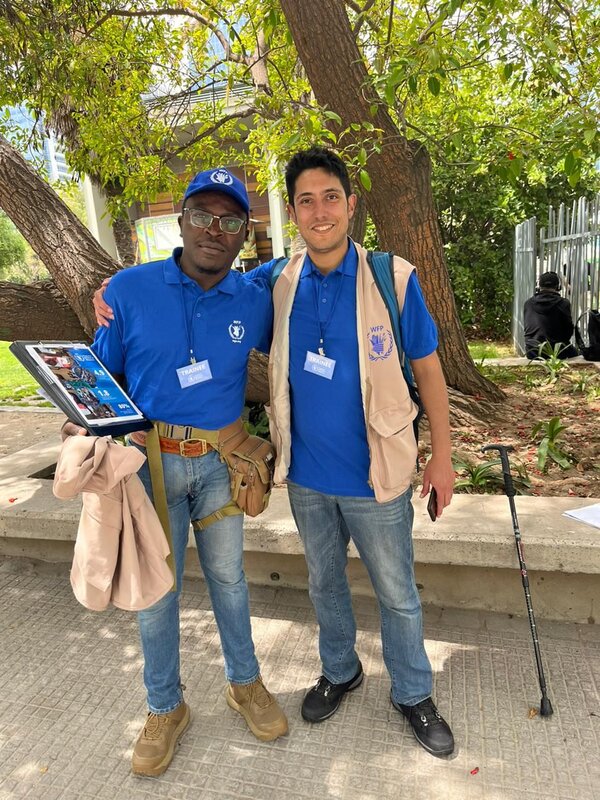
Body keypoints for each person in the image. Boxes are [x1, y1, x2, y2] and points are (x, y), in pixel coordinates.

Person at [94, 147, 455, 757]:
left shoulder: (373, 281)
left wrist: (442, 456)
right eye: (306, 201)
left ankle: (409, 692)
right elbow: (112, 367)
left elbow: (429, 368)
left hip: (350, 472)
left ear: (350, 203)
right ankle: (318, 676)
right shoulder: (243, 285)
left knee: (386, 591)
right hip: (275, 473)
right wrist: (111, 292)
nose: (319, 213)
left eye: (330, 198)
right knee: (305, 588)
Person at [69, 167, 288, 778]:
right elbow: (99, 377)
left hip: (223, 464)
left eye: (229, 221)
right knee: (155, 596)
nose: (213, 230)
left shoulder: (253, 295)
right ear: (181, 220)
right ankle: (165, 707)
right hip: (150, 471)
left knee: (230, 581)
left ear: (244, 233)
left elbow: (296, 279)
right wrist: (91, 428)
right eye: (201, 216)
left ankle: (245, 684)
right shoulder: (130, 291)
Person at [524, 271, 577, 359]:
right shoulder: (564, 303)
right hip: (557, 352)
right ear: (558, 287)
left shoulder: (528, 303)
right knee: (576, 353)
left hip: (533, 352)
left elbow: (527, 329)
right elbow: (568, 331)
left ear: (539, 286)